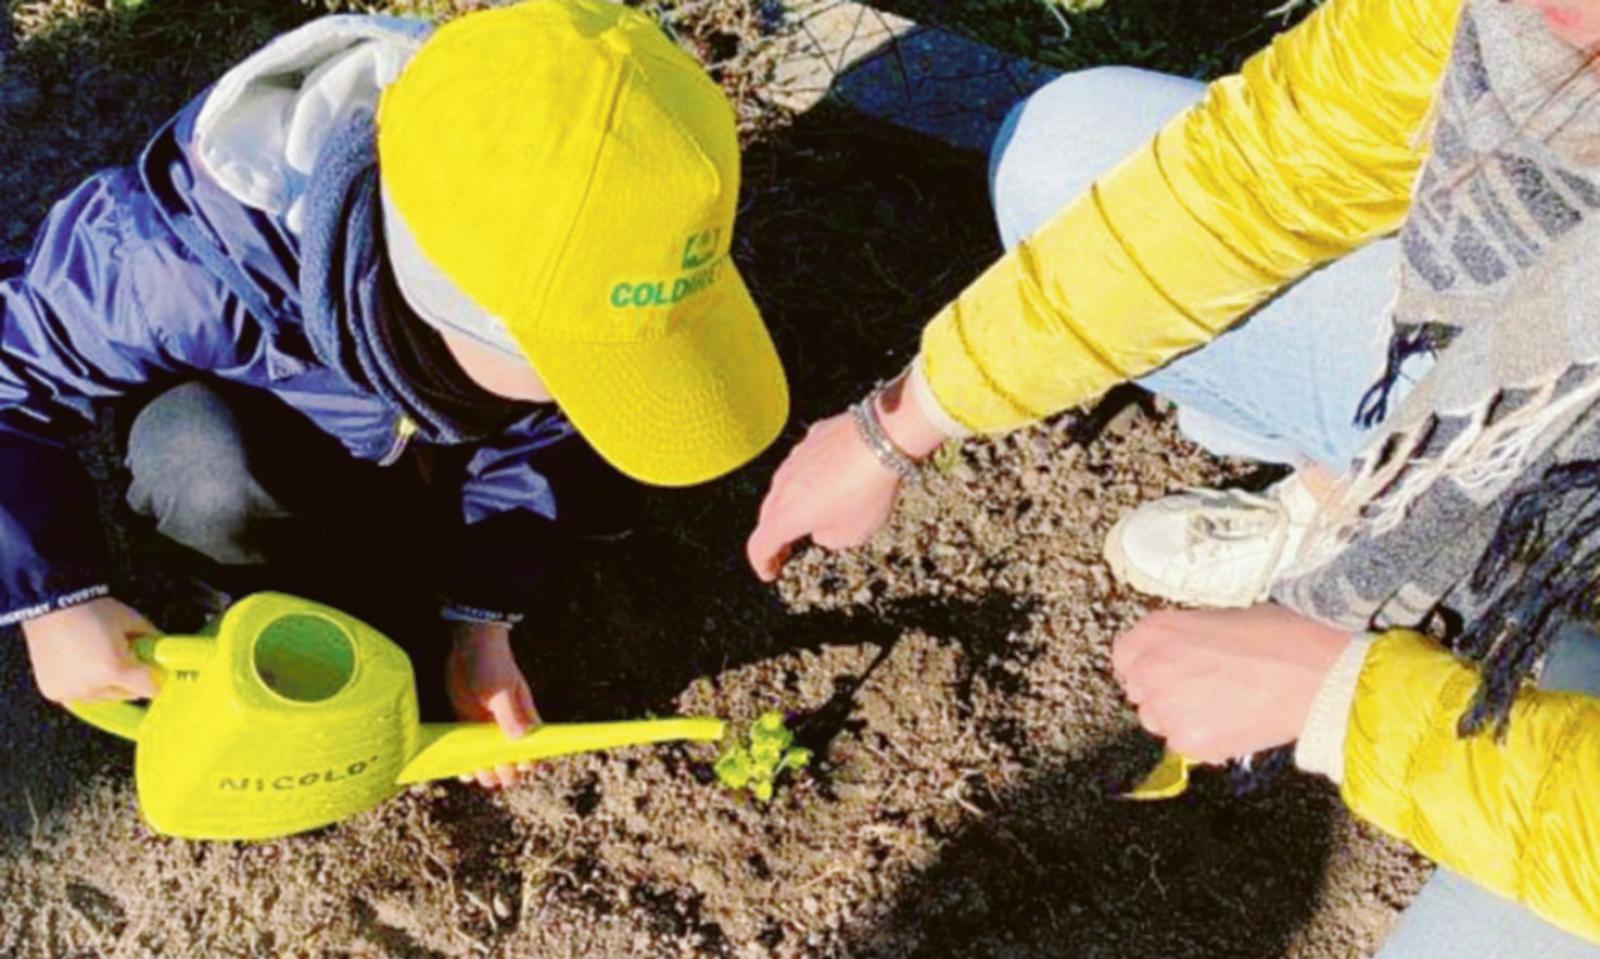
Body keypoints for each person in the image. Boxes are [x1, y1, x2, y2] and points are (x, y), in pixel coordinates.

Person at [750, 0, 1600, 950]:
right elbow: (1264, 169)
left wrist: (1347, 703)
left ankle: (1514, 607)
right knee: (1068, 156)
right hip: (1553, 387)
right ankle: (1376, 505)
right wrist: (904, 419)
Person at [6, 0, 787, 789]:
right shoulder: (168, 264)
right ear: (437, 298)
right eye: (572, 364)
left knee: (585, 465)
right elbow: (12, 375)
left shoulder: (593, 224)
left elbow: (541, 428)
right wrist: (55, 598)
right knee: (203, 462)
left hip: (432, 428)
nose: (595, 390)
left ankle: (458, 547)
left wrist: (482, 618)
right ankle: (251, 610)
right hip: (282, 439)